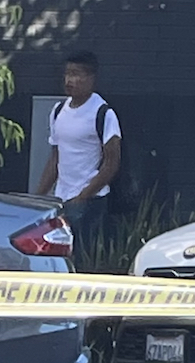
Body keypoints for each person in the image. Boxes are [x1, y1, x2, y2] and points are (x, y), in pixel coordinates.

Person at [34, 50, 121, 263]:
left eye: (76, 74)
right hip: (61, 200)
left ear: (91, 78)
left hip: (90, 203)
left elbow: (111, 163)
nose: (69, 80)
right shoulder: (58, 111)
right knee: (60, 259)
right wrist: (38, 196)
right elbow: (56, 157)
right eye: (67, 74)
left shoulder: (102, 113)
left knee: (84, 260)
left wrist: (83, 196)